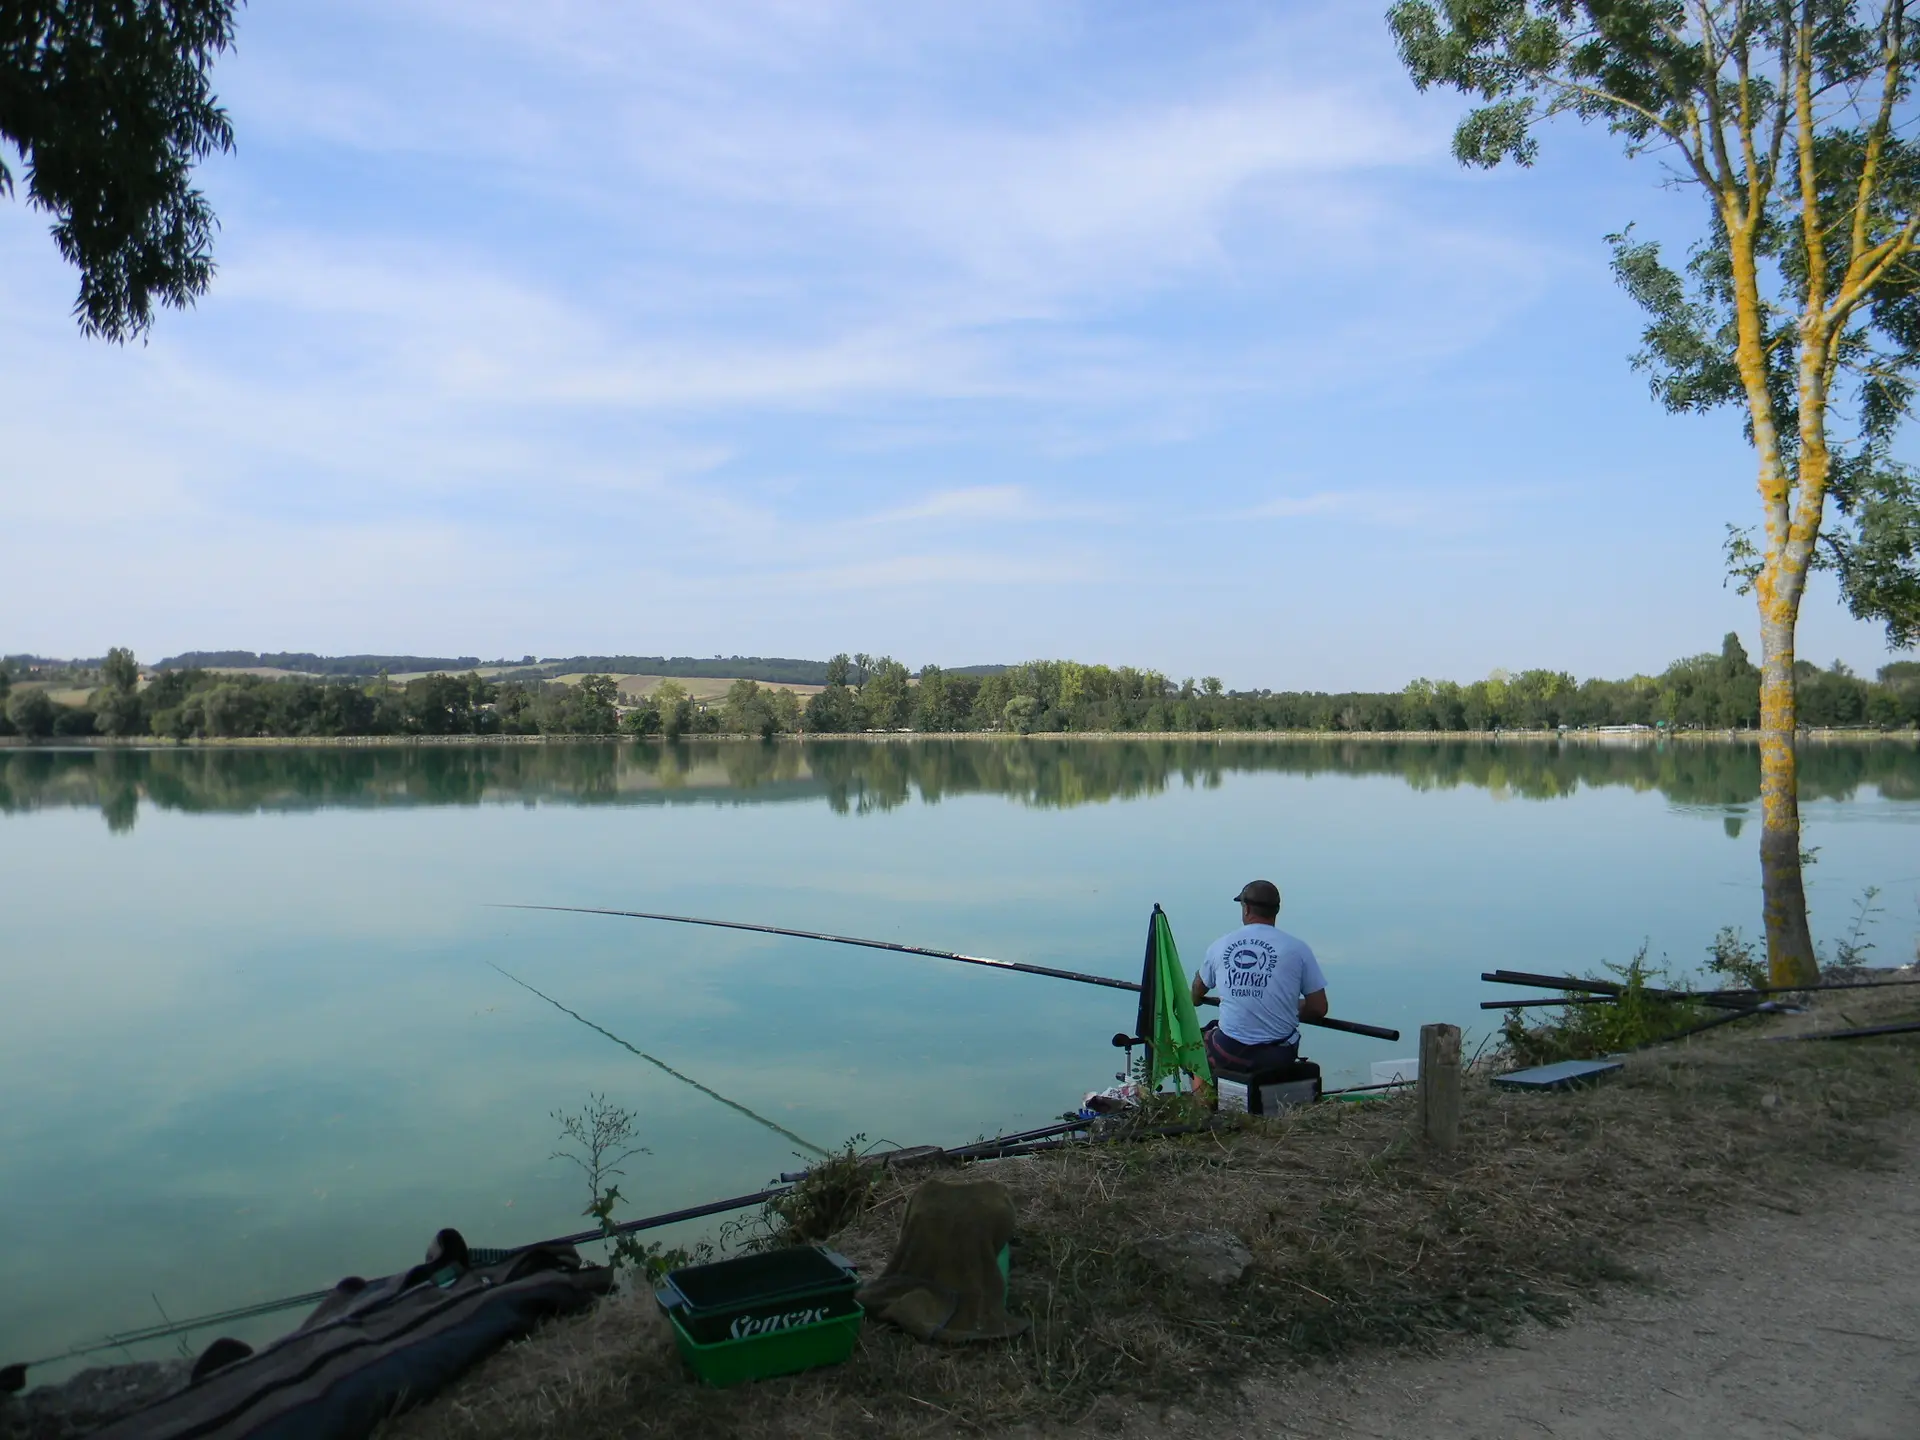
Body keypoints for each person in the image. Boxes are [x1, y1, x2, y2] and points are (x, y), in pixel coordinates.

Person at [1190, 879, 1327, 1075]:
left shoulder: (1220, 945)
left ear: (1246, 909)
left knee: (1196, 1044)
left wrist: (1195, 995)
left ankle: (1202, 1102)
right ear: (1276, 911)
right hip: (1279, 1055)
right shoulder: (1298, 949)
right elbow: (1319, 1007)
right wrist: (1286, 1005)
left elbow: (1197, 994)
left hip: (1230, 1050)